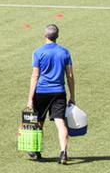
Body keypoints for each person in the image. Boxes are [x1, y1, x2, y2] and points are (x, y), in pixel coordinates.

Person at [26, 24, 76, 164]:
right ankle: (63, 153)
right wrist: (72, 96)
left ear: (45, 35)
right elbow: (70, 76)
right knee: (60, 123)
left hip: (41, 92)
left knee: (39, 122)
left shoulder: (38, 52)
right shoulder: (64, 52)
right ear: (57, 36)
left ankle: (36, 151)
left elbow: (35, 76)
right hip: (59, 92)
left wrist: (30, 98)